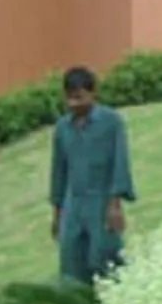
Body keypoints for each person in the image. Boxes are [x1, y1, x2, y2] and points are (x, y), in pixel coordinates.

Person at [50, 67, 135, 282]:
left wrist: (114, 205)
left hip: (101, 201)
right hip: (73, 203)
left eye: (79, 98)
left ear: (93, 93)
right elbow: (58, 171)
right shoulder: (62, 128)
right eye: (69, 98)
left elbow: (120, 162)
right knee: (71, 260)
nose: (73, 104)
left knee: (105, 258)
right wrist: (57, 213)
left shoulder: (111, 122)